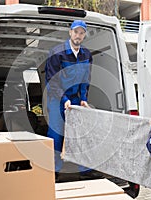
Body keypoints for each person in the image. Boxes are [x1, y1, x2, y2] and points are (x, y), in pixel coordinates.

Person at [45, 20, 100, 181]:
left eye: (81, 33)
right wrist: (64, 99)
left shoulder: (86, 55)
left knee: (80, 134)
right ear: (70, 33)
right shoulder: (57, 53)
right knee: (56, 134)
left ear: (84, 35)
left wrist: (83, 99)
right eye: (75, 32)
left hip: (76, 100)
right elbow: (52, 81)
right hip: (57, 99)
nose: (78, 35)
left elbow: (85, 80)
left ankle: (85, 170)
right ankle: (54, 171)